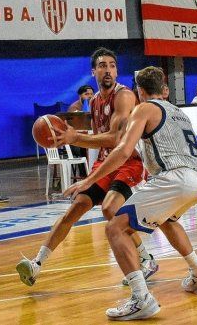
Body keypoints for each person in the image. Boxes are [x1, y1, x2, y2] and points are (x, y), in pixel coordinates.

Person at [64, 66, 197, 321]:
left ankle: (140, 299)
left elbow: (123, 150)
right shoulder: (178, 112)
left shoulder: (144, 108)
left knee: (116, 228)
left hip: (176, 177)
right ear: (165, 90)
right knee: (168, 220)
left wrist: (88, 180)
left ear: (140, 92)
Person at [16, 48, 158, 287]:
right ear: (93, 71)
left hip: (128, 161)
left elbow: (115, 138)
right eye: (102, 65)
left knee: (110, 209)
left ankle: (147, 259)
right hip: (105, 161)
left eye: (112, 65)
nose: (108, 70)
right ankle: (36, 264)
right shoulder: (93, 101)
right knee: (75, 209)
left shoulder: (124, 96)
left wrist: (75, 138)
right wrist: (73, 134)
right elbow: (99, 135)